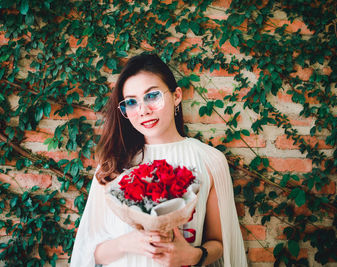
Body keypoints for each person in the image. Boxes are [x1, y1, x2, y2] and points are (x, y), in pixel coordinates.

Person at [70, 53, 247, 267]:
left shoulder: (210, 160)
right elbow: (90, 252)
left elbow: (220, 243)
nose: (143, 110)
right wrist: (127, 243)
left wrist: (193, 256)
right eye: (132, 102)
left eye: (152, 96)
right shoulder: (113, 163)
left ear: (177, 96)